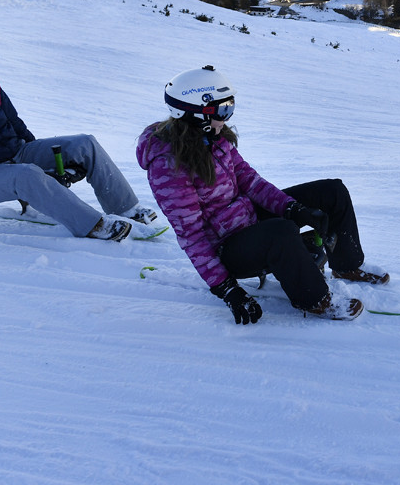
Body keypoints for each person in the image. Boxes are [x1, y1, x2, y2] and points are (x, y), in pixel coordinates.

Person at [136, 66, 387, 325]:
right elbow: (192, 236)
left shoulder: (213, 139)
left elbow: (252, 183)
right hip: (228, 249)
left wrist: (293, 209)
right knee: (280, 232)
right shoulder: (169, 166)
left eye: (230, 107)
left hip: (247, 218)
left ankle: (347, 264)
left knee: (331, 191)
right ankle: (316, 300)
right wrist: (228, 290)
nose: (227, 117)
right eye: (223, 110)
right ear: (197, 112)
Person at [0, 25, 156, 241]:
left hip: (18, 153)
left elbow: (16, 124)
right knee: (26, 175)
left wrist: (45, 167)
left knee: (85, 144)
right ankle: (95, 226)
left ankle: (126, 208)